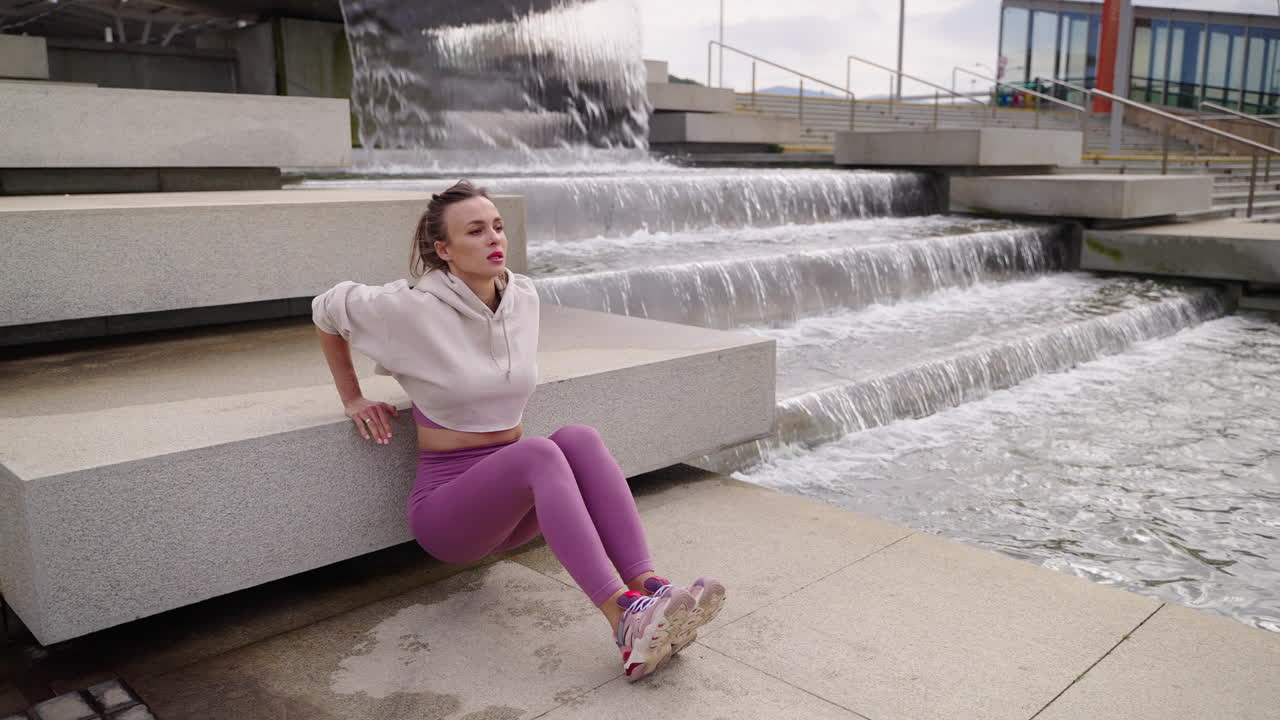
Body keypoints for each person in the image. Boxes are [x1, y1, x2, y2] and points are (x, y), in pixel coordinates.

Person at [311, 179, 725, 681]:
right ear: (444, 250)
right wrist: (352, 396)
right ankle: (623, 619)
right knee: (539, 454)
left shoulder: (523, 295)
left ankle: (650, 586)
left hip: (514, 506)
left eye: (499, 227)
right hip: (449, 513)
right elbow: (326, 308)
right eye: (476, 230)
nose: (494, 239)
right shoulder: (409, 308)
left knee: (578, 437)